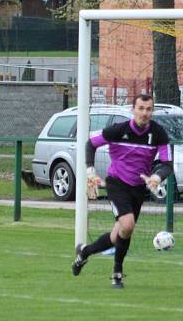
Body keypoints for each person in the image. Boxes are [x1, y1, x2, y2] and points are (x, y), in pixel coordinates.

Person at [71, 94, 173, 288]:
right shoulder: (118, 130)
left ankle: (84, 252)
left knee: (118, 234)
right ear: (132, 110)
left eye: (149, 109)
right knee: (128, 224)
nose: (144, 113)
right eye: (141, 108)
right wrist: (90, 172)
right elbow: (91, 144)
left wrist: (156, 177)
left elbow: (167, 164)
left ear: (153, 111)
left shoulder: (158, 133)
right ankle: (117, 273)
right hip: (117, 183)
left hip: (138, 189)